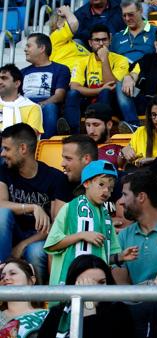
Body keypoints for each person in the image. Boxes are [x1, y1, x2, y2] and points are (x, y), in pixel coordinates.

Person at [44, 160, 137, 286]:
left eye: (110, 188)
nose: (106, 191)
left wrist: (120, 257)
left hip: (95, 286)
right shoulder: (69, 208)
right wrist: (81, 235)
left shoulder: (106, 217)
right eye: (101, 184)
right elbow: (52, 244)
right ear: (86, 183)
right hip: (67, 283)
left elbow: (104, 256)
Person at [0, 123, 70, 283]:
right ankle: (1, 277)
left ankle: (37, 301)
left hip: (39, 237)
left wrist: (23, 245)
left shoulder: (55, 178)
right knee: (2, 214)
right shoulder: (4, 170)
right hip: (10, 233)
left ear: (23, 148)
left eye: (7, 149)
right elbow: (0, 205)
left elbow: (56, 226)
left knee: (35, 252)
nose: (2, 154)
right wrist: (32, 207)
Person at [37, 255, 136, 338]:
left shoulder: (119, 311)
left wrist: (89, 308)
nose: (95, 290)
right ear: (73, 284)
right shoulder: (57, 313)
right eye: (86, 284)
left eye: (101, 282)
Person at [63, 24, 129, 135]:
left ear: (110, 40)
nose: (101, 44)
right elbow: (74, 86)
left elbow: (110, 85)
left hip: (111, 102)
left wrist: (104, 60)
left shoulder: (121, 60)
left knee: (105, 92)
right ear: (90, 43)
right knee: (72, 94)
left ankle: (102, 132)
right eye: (97, 40)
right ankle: (72, 132)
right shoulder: (81, 61)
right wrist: (98, 90)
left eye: (104, 40)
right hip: (89, 101)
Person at [21, 33, 70, 138]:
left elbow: (59, 96)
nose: (25, 49)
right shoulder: (22, 72)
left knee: (50, 107)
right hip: (25, 106)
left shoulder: (61, 69)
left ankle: (45, 144)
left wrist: (39, 105)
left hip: (46, 105)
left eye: (29, 46)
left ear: (42, 48)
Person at [119, 94, 157, 168]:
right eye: (153, 115)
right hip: (139, 175)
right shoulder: (141, 132)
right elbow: (120, 164)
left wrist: (153, 160)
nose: (156, 119)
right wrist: (122, 152)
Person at [0, 258, 47, 337]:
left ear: (31, 280)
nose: (6, 278)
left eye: (13, 273)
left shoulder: (47, 316)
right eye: (2, 276)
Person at [110, 0, 157, 64]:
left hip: (147, 72)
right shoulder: (117, 37)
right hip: (122, 72)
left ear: (141, 11)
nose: (127, 18)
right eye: (124, 15)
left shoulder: (155, 32)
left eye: (130, 14)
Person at [0, 64, 44, 135]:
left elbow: (29, 136)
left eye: (4, 78)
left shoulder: (32, 107)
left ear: (17, 83)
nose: (0, 81)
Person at [49, 5, 90, 72]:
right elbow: (74, 23)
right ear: (59, 23)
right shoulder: (55, 37)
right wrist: (67, 11)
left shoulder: (71, 42)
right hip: (70, 76)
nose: (71, 18)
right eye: (67, 18)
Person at [85, 103, 124, 168]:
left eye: (96, 125)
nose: (91, 131)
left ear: (109, 125)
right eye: (88, 125)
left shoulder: (119, 150)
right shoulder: (80, 148)